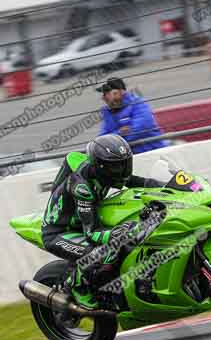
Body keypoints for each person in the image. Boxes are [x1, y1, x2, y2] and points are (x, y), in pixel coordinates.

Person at [41, 134, 164, 307]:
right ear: (99, 166)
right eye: (116, 166)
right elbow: (91, 233)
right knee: (103, 251)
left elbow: (138, 182)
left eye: (124, 164)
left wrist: (169, 187)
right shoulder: (82, 187)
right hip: (60, 232)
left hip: (82, 223)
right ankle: (76, 287)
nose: (122, 170)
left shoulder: (106, 173)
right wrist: (118, 232)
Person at [97, 77, 168, 154]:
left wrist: (114, 139)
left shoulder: (137, 104)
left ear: (120, 92)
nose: (103, 97)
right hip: (127, 156)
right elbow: (103, 138)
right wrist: (120, 133)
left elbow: (142, 128)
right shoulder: (108, 112)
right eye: (103, 94)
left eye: (107, 93)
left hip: (152, 151)